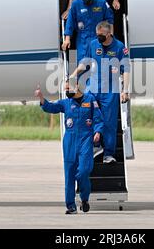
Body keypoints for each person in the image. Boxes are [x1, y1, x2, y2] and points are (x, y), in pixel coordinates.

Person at [34, 80, 104, 214]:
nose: (66, 91)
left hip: (85, 140)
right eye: (65, 89)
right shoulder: (65, 103)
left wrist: (98, 132)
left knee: (84, 171)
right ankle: (71, 206)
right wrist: (41, 98)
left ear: (76, 86)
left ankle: (84, 198)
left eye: (68, 88)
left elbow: (98, 119)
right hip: (70, 142)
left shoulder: (90, 100)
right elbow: (51, 107)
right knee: (69, 174)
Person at [70, 21, 130, 164]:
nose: (99, 38)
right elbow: (85, 63)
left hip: (111, 91)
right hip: (94, 88)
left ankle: (108, 154)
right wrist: (74, 74)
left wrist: (125, 90)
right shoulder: (93, 44)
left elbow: (126, 70)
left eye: (102, 35)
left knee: (109, 123)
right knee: (88, 118)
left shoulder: (120, 47)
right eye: (97, 35)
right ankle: (95, 146)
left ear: (109, 34)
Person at [62, 0, 114, 64]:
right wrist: (67, 39)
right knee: (82, 65)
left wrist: (111, 36)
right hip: (82, 40)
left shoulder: (102, 2)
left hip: (99, 38)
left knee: (100, 64)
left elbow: (110, 20)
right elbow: (70, 22)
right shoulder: (75, 4)